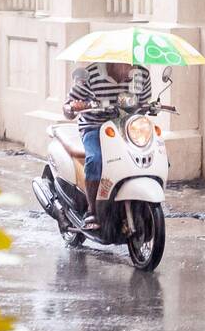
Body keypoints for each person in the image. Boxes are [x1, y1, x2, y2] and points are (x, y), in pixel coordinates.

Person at [64, 61, 152, 230]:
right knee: (95, 159)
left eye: (131, 63)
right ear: (112, 61)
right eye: (124, 64)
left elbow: (145, 105)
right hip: (95, 126)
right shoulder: (90, 75)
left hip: (127, 127)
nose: (129, 69)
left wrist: (147, 107)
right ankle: (93, 210)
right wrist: (72, 107)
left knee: (151, 154)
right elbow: (68, 106)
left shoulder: (142, 75)